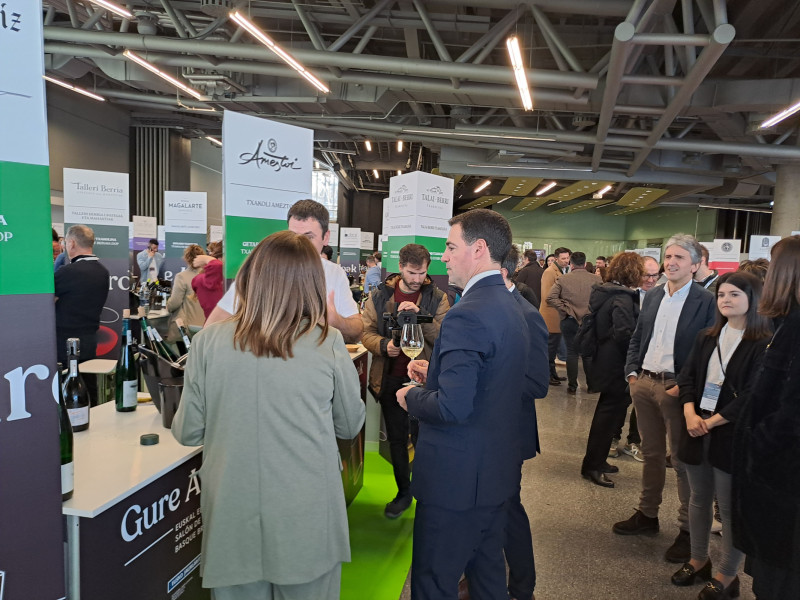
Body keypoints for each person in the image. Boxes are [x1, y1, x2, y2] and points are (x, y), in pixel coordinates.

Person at [172, 231, 366, 600]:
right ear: (311, 283)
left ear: (249, 278)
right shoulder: (327, 342)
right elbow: (350, 423)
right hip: (308, 513)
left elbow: (188, 432)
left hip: (232, 512)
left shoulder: (208, 343)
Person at [395, 209, 531, 600]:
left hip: (455, 483)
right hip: (494, 475)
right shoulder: (513, 306)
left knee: (434, 583)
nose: (445, 257)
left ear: (479, 249)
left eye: (452, 247)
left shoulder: (465, 315)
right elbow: (490, 385)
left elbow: (453, 408)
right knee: (488, 581)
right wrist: (435, 377)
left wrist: (412, 396)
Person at [613, 234, 716, 565]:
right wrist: (632, 373)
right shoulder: (654, 295)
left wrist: (682, 386)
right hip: (644, 382)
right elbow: (640, 336)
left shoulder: (706, 301)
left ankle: (687, 531)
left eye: (679, 258)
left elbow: (705, 351)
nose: (670, 262)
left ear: (696, 265)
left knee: (682, 462)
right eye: (667, 256)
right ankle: (647, 514)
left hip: (676, 390)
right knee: (652, 454)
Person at [672, 271, 771, 598]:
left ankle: (727, 575)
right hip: (696, 428)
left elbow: (754, 394)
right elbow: (687, 378)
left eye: (735, 295)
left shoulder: (762, 343)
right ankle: (698, 559)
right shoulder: (707, 336)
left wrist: (711, 421)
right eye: (722, 295)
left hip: (730, 435)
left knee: (729, 510)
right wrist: (689, 412)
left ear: (752, 300)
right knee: (698, 500)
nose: (726, 300)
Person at [733, 235, 800, 600]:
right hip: (778, 482)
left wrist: (758, 445)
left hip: (782, 482)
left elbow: (791, 411)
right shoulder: (787, 323)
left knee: (779, 580)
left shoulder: (795, 328)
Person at [360, 244, 449, 519]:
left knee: (424, 440)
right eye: (412, 272)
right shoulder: (379, 295)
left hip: (424, 380)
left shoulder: (438, 297)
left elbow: (445, 337)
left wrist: (420, 315)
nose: (417, 279)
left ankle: (428, 495)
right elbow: (365, 333)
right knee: (397, 440)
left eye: (422, 273)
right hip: (390, 378)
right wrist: (384, 345)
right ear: (400, 267)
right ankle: (403, 493)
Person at [206, 200, 363, 342]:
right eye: (292, 236)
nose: (297, 246)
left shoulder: (334, 273)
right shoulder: (258, 271)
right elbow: (210, 330)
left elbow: (356, 332)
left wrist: (334, 320)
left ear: (326, 237)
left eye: (308, 238)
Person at [500, 244, 549, 600]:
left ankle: (522, 586)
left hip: (507, 433)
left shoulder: (526, 313)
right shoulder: (490, 307)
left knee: (507, 508)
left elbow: (536, 383)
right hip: (486, 433)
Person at [580, 252, 644, 487]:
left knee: (608, 413)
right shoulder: (623, 298)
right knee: (607, 416)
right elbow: (625, 333)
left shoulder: (606, 292)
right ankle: (593, 466)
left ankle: (597, 461)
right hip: (616, 363)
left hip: (604, 360)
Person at [611, 255, 660, 461]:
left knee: (642, 404)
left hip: (650, 361)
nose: (650, 279)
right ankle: (613, 438)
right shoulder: (627, 296)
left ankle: (634, 441)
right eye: (646, 275)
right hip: (624, 358)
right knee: (619, 401)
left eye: (655, 275)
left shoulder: (662, 296)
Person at [54, 225, 110, 366]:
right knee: (88, 382)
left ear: (72, 243)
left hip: (64, 343)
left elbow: (48, 302)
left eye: (66, 243)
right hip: (90, 341)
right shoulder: (103, 272)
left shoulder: (67, 272)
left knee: (68, 384)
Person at [546, 251, 597, 394]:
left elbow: (550, 298)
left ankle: (572, 386)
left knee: (572, 353)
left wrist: (565, 309)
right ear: (585, 264)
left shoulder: (563, 279)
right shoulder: (597, 279)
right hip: (589, 321)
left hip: (570, 320)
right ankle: (592, 386)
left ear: (571, 264)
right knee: (587, 354)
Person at [540, 247, 571, 386]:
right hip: (550, 316)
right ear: (556, 258)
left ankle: (553, 373)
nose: (566, 261)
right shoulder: (549, 272)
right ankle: (547, 376)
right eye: (563, 258)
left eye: (567, 258)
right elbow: (547, 296)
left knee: (553, 348)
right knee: (549, 349)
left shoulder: (562, 270)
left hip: (558, 316)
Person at [165, 244, 206, 346]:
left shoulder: (182, 277)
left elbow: (175, 302)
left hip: (187, 328)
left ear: (186, 258)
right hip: (206, 326)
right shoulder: (209, 276)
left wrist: (168, 305)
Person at [192, 241, 224, 321]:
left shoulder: (230, 280)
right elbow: (217, 266)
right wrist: (208, 259)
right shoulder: (201, 280)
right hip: (218, 330)